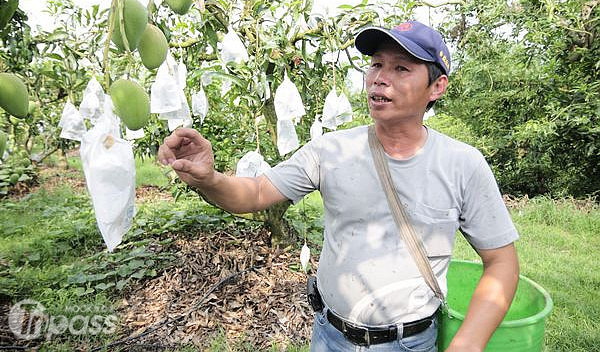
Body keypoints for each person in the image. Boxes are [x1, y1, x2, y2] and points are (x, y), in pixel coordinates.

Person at [157, 20, 520, 352]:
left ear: (436, 86)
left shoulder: (462, 164)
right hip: (329, 336)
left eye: (401, 68)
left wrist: (467, 344)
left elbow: (501, 261)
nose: (380, 78)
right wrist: (210, 179)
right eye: (376, 64)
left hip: (407, 344)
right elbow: (254, 194)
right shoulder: (331, 150)